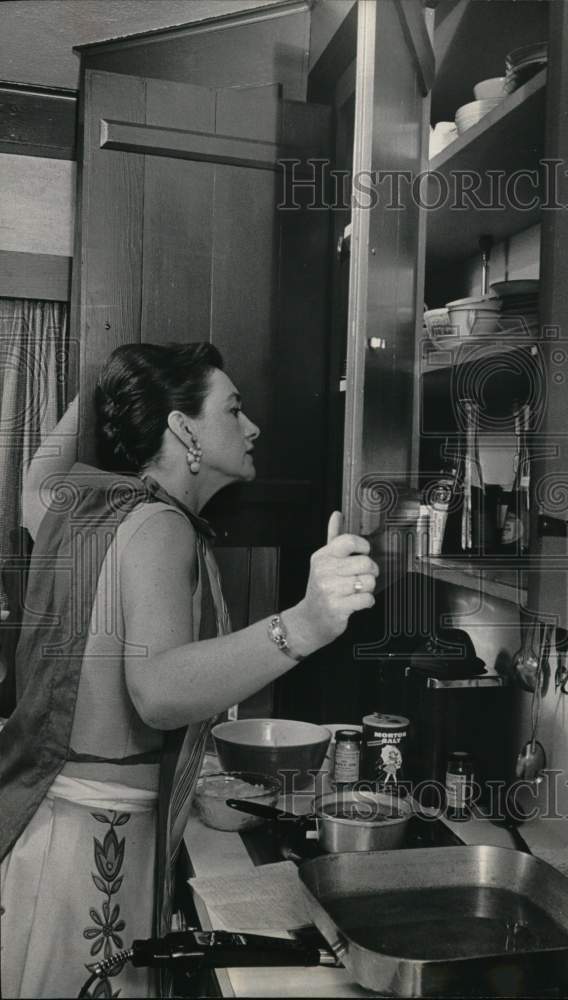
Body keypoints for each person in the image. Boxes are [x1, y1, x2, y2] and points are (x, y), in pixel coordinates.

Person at [0, 342, 378, 999]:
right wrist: (309, 622)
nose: (251, 425)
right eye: (233, 409)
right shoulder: (159, 526)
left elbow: (37, 478)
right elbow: (159, 690)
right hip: (99, 846)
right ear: (183, 429)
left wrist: (110, 382)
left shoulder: (86, 512)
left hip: (52, 831)